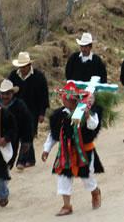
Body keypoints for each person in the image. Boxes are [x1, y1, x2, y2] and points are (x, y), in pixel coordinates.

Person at [42, 82, 104, 216]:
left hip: (84, 150)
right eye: (66, 98)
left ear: (76, 98)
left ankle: (95, 192)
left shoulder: (85, 110)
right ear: (62, 98)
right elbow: (53, 134)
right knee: (63, 176)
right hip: (65, 152)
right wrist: (46, 149)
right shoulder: (58, 115)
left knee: (86, 176)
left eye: (71, 98)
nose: (68, 100)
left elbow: (93, 126)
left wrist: (87, 116)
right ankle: (66, 205)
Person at [8, 51, 49, 168]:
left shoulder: (39, 77)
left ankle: (21, 160)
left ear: (29, 65)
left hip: (33, 111)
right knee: (20, 134)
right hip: (17, 111)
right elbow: (8, 93)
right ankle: (30, 159)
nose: (22, 69)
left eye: (24, 66)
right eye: (20, 66)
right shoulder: (13, 76)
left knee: (29, 134)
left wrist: (42, 113)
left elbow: (44, 96)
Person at [0, 79, 34, 170]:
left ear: (12, 93)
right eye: (3, 93)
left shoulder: (19, 105)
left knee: (9, 159)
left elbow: (27, 123)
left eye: (8, 93)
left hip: (14, 136)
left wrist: (26, 141)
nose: (5, 96)